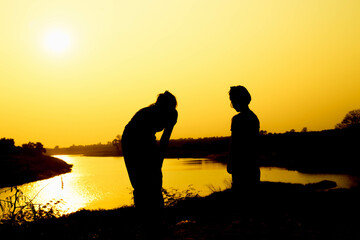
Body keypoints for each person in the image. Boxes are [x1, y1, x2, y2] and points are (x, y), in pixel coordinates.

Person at [121, 91, 178, 236]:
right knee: (140, 183)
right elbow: (140, 142)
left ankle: (157, 220)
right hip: (131, 140)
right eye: (163, 107)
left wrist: (159, 161)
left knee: (155, 180)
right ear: (158, 105)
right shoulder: (147, 114)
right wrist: (155, 162)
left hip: (148, 139)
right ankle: (145, 223)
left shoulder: (172, 114)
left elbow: (165, 139)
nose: (166, 110)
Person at [227, 86, 260, 193]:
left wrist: (230, 163)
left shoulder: (237, 119)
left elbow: (234, 144)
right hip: (252, 166)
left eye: (232, 101)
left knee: (240, 198)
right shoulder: (254, 118)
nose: (232, 105)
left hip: (240, 166)